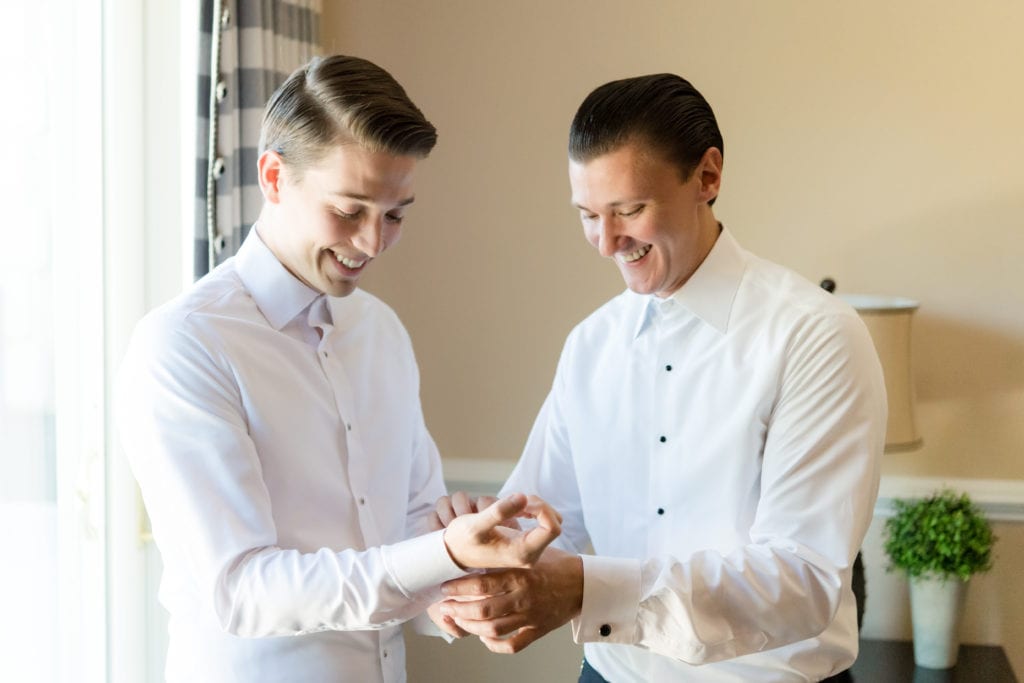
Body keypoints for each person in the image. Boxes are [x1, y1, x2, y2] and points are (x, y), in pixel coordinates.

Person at [116, 55, 561, 683]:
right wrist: (437, 554)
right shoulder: (185, 346)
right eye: (350, 210)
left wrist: (460, 574)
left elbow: (410, 520)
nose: (374, 242)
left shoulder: (379, 332)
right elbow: (241, 590)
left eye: (397, 214)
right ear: (274, 176)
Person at [431, 73, 887, 682]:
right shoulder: (590, 345)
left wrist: (589, 590)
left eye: (629, 210)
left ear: (708, 176)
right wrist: (479, 544)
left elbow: (801, 580)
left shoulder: (815, 336)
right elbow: (543, 518)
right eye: (588, 215)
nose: (606, 242)